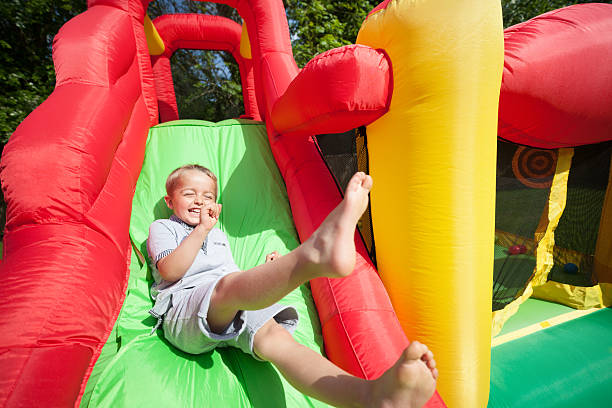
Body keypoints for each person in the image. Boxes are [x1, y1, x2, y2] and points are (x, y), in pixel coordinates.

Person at [147, 164, 438, 408]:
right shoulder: (163, 228)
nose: (200, 201)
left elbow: (233, 279)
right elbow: (171, 271)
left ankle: (371, 396)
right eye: (189, 194)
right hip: (183, 310)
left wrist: (268, 272)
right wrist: (200, 231)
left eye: (208, 196)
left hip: (225, 301)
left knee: (277, 339)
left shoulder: (218, 236)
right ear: (170, 201)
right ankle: (310, 258)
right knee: (226, 290)